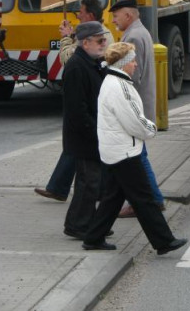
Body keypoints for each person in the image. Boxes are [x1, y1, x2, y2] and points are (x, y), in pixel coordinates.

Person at [82, 42, 187, 255]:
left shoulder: (112, 81)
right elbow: (135, 122)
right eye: (132, 60)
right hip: (125, 152)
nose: (136, 64)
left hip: (115, 151)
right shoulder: (119, 87)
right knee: (144, 199)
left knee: (112, 198)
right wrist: (152, 129)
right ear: (123, 64)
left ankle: (93, 237)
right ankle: (163, 241)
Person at [34, 0, 114, 203]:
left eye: (81, 11)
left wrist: (66, 39)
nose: (77, 14)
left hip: (93, 110)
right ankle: (61, 188)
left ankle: (88, 193)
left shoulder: (94, 39)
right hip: (91, 113)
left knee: (83, 153)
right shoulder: (94, 36)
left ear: (91, 16)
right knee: (77, 150)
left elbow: (67, 58)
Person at [110, 0, 165, 217]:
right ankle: (143, 199)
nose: (113, 20)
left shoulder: (133, 36)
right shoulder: (140, 32)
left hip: (135, 107)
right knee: (136, 155)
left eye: (116, 16)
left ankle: (152, 199)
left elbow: (134, 76)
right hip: (140, 106)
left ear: (128, 16)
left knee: (138, 156)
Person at [62, 21, 108, 239]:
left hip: (91, 133)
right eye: (100, 41)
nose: (104, 44)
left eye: (104, 39)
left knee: (91, 182)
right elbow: (77, 109)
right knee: (88, 182)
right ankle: (78, 225)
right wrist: (93, 132)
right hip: (84, 135)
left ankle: (87, 222)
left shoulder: (92, 62)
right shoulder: (77, 67)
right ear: (86, 42)